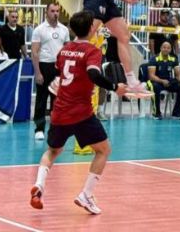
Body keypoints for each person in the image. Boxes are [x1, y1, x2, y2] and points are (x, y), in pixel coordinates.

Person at [29, 11, 126, 215]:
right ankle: (86, 195)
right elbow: (93, 73)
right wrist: (115, 87)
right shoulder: (92, 51)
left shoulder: (64, 50)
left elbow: (60, 74)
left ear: (72, 29)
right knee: (103, 150)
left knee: (52, 151)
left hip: (60, 111)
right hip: (81, 113)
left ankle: (39, 185)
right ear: (91, 29)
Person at [31, 3, 71, 141]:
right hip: (44, 65)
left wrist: (65, 70)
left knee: (57, 99)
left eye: (57, 11)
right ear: (46, 12)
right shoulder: (39, 30)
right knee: (41, 98)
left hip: (58, 67)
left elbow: (67, 50)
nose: (55, 13)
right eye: (52, 11)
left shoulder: (64, 30)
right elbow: (34, 52)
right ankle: (39, 128)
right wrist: (37, 72)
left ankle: (55, 128)